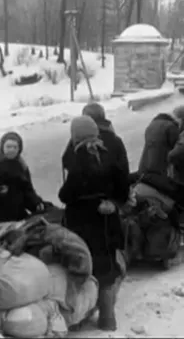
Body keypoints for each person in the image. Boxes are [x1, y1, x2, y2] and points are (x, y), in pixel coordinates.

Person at [59, 116, 128, 332]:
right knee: (107, 268)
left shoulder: (78, 158)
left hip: (83, 222)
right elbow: (123, 186)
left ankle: (82, 313)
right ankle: (108, 319)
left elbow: (66, 194)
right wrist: (113, 202)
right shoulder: (108, 154)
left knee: (85, 266)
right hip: (107, 221)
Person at [0, 132, 49, 226]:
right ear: (2, 146)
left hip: (17, 215)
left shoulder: (22, 166)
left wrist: (35, 203)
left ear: (19, 149)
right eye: (8, 146)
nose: (11, 150)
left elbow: (27, 189)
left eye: (15, 147)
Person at [62, 102, 129, 182]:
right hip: (115, 190)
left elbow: (66, 161)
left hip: (85, 190)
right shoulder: (115, 140)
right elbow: (124, 168)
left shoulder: (79, 141)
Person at [138, 111, 180, 177]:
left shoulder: (150, 127)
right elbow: (175, 146)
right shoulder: (171, 126)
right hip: (161, 165)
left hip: (145, 165)